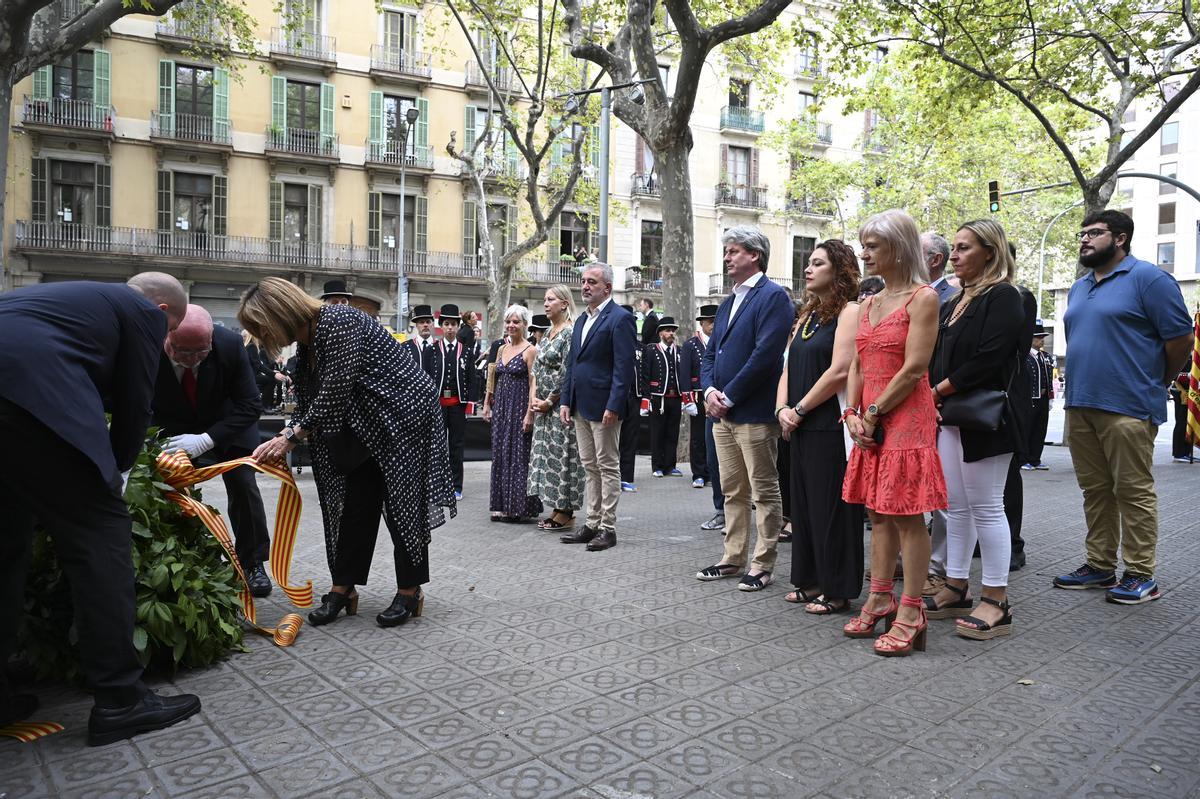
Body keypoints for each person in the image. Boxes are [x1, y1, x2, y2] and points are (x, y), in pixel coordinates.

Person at [0, 273, 201, 744]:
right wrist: (118, 472)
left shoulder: (57, 299)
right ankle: (121, 700)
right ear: (162, 310)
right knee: (99, 541)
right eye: (171, 333)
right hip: (32, 401)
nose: (166, 340)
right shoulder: (142, 313)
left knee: (5, 546)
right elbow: (135, 405)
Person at [240, 278, 454, 629]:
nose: (265, 339)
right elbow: (311, 399)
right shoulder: (309, 341)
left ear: (280, 314)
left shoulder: (338, 321)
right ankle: (343, 588)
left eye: (263, 329)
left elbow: (335, 392)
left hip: (403, 416)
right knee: (353, 504)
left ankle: (409, 591)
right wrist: (285, 433)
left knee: (401, 503)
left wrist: (291, 437)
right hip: (365, 423)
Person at [1053, 209, 1193, 604]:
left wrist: (1154, 381)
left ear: (1120, 238)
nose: (1084, 240)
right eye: (1082, 233)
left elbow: (1181, 339)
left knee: (1133, 492)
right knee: (1095, 490)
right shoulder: (1081, 287)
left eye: (1094, 233)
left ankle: (1139, 573)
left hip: (1129, 405)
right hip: (1080, 403)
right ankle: (1099, 565)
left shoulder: (1149, 279)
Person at [841, 209, 946, 657]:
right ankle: (879, 595)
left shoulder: (923, 298)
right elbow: (858, 364)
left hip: (905, 418)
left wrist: (874, 412)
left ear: (898, 248)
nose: (864, 254)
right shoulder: (867, 303)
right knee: (878, 513)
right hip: (870, 418)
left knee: (905, 515)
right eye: (864, 245)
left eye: (872, 246)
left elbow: (916, 368)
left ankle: (910, 610)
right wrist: (852, 413)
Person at [925, 220, 1025, 641]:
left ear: (990, 251)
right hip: (951, 415)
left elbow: (989, 357)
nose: (956, 255)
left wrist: (938, 390)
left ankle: (997, 599)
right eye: (955, 249)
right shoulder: (953, 300)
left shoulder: (1004, 296)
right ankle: (956, 585)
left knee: (986, 506)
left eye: (965, 248)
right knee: (956, 505)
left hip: (986, 418)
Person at [696, 225, 793, 591]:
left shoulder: (773, 298)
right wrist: (708, 392)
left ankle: (763, 563)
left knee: (764, 490)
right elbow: (710, 353)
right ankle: (732, 557)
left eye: (733, 251)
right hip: (723, 414)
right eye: (726, 251)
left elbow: (766, 356)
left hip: (753, 413)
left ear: (755, 254)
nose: (726, 257)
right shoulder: (728, 301)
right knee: (733, 490)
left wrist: (729, 396)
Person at [154, 305, 272, 597]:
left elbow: (250, 405)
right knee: (171, 492)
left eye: (200, 353)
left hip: (227, 426)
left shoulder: (229, 345)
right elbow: (136, 398)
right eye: (182, 352)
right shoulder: (148, 344)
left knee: (244, 486)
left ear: (210, 341)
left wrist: (207, 439)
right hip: (173, 428)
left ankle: (253, 563)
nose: (191, 360)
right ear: (168, 338)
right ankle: (183, 560)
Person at [776, 240, 864, 615]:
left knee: (832, 509)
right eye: (808, 263)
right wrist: (781, 408)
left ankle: (838, 589)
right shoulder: (808, 314)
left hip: (829, 425)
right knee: (805, 508)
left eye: (817, 263)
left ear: (839, 270)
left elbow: (841, 370)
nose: (808, 269)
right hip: (798, 425)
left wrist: (798, 409)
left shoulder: (850, 311)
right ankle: (810, 581)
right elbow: (787, 366)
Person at [559, 264, 637, 551]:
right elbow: (572, 365)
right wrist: (566, 400)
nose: (585, 286)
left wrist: (614, 404)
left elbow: (623, 366)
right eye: (583, 281)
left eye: (592, 281)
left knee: (607, 466)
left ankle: (608, 528)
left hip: (605, 407)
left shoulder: (620, 319)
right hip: (580, 404)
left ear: (607, 287)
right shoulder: (580, 320)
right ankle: (591, 523)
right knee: (589, 467)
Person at [528, 287, 585, 532]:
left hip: (559, 406)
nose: (546, 304)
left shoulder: (570, 333)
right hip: (542, 409)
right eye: (544, 300)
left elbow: (566, 372)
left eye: (550, 300)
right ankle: (557, 508)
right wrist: (534, 400)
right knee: (548, 457)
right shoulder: (549, 332)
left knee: (564, 457)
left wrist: (549, 400)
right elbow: (535, 370)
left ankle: (566, 510)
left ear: (564, 304)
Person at [484, 305, 542, 523]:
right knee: (500, 454)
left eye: (516, 322)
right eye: (508, 321)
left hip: (519, 407)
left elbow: (533, 383)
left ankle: (517, 507)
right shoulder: (501, 350)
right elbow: (493, 378)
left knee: (518, 456)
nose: (511, 325)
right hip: (501, 409)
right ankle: (500, 505)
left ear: (525, 325)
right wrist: (488, 404)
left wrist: (530, 413)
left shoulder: (531, 350)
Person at [427, 304, 474, 501]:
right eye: (446, 324)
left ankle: (456, 486)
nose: (450, 328)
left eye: (453, 324)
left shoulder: (465, 351)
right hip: (438, 405)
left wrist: (470, 404)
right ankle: (437, 485)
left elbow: (473, 378)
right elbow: (427, 377)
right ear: (441, 326)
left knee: (456, 446)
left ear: (458, 326)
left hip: (457, 405)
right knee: (437, 446)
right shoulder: (433, 349)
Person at [640, 317, 684, 478]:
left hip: (676, 398)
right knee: (657, 433)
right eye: (667, 330)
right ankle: (657, 466)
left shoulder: (679, 351)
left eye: (673, 330)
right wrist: (646, 400)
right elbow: (645, 377)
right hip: (657, 399)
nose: (671, 333)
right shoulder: (651, 350)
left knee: (673, 433)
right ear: (660, 333)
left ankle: (671, 466)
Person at [680, 306, 716, 490]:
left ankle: (713, 472)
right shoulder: (691, 345)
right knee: (698, 436)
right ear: (702, 323)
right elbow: (684, 374)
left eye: (715, 321)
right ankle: (699, 473)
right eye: (709, 321)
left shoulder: (721, 342)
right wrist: (687, 400)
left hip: (717, 396)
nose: (713, 325)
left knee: (716, 436)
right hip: (697, 395)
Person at [618, 304, 643, 493]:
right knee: (611, 441)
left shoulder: (640, 347)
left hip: (634, 397)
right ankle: (611, 476)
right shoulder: (612, 344)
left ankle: (626, 477)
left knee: (630, 439)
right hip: (615, 398)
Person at [1024, 322, 1054, 470]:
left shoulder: (1046, 356)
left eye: (1042, 337)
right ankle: (1024, 459)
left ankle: (1035, 459)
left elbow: (1049, 378)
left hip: (1043, 398)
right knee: (1028, 429)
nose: (1042, 340)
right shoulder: (1024, 356)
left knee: (1040, 430)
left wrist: (1051, 398)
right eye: (1038, 337)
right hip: (1030, 399)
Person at [921, 232, 958, 303]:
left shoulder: (954, 298)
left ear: (935, 260)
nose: (909, 258)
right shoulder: (902, 294)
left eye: (916, 253)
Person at [1170, 361, 1194, 463]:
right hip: (1181, 391)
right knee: (1182, 422)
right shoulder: (1186, 352)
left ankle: (1186, 452)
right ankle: (1179, 453)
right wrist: (1189, 376)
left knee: (1190, 422)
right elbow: (1174, 374)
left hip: (1193, 391)